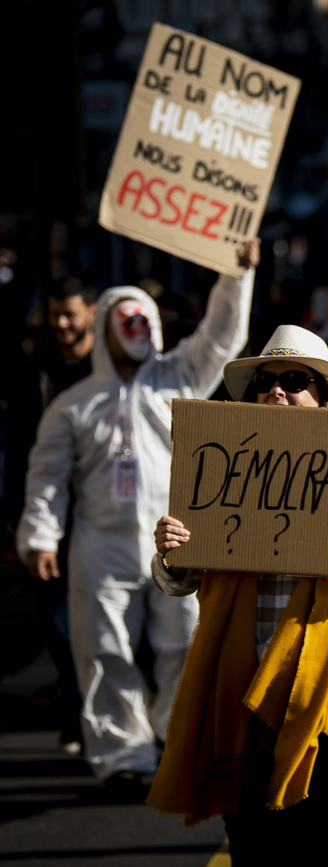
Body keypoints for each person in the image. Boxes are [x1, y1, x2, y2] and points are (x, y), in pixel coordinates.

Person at [147, 324, 328, 866]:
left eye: (294, 380)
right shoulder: (221, 467)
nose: (275, 390)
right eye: (263, 382)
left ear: (323, 402)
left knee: (321, 832)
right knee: (250, 830)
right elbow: (179, 580)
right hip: (240, 673)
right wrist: (172, 552)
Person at [15, 242, 258, 797]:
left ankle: (178, 738)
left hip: (174, 539)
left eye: (144, 319)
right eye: (125, 321)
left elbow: (222, 336)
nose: (137, 328)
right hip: (100, 544)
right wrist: (40, 535)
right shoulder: (74, 404)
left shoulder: (180, 378)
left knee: (182, 643)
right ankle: (122, 753)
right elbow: (46, 475)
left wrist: (236, 274)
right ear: (103, 328)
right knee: (103, 649)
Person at [5, 276, 98, 752]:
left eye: (71, 313)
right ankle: (77, 706)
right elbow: (21, 452)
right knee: (58, 623)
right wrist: (21, 522)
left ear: (92, 314)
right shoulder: (33, 372)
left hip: (100, 519)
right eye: (56, 314)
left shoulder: (111, 369)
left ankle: (91, 714)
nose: (63, 324)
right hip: (52, 524)